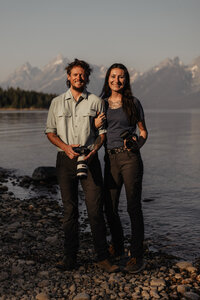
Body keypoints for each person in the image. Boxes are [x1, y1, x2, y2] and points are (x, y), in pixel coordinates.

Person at [45, 59, 119, 273]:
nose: (78, 78)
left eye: (82, 75)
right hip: (64, 159)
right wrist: (66, 147)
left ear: (87, 78)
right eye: (74, 74)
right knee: (70, 212)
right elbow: (50, 132)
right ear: (68, 77)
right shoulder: (56, 102)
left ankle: (103, 258)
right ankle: (70, 258)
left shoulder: (96, 101)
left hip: (90, 158)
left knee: (95, 211)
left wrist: (94, 151)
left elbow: (102, 135)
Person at [95, 63, 148, 273]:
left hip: (130, 159)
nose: (117, 80)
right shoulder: (100, 104)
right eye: (113, 76)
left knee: (133, 207)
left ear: (126, 80)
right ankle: (117, 246)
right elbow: (94, 132)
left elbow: (143, 132)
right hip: (109, 159)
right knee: (110, 207)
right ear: (107, 78)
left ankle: (136, 256)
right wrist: (95, 124)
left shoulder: (133, 103)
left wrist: (137, 143)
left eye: (121, 77)